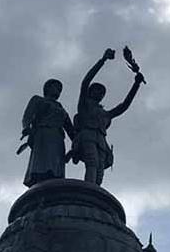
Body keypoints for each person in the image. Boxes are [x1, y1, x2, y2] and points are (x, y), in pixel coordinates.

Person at [71, 48, 144, 186]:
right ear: (90, 92)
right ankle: (89, 189)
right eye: (96, 90)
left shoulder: (105, 114)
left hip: (101, 140)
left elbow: (124, 106)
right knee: (91, 163)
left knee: (99, 170)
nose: (99, 93)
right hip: (87, 135)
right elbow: (85, 82)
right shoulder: (84, 105)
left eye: (102, 92)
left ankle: (95, 192)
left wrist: (136, 84)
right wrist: (103, 60)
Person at [20, 79, 74, 187]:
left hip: (58, 138)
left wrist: (79, 143)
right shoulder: (38, 100)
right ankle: (40, 182)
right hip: (43, 135)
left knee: (56, 167)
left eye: (60, 89)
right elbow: (27, 116)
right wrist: (26, 128)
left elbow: (71, 131)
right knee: (43, 164)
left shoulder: (61, 109)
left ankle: (54, 182)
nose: (58, 91)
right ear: (47, 88)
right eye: (55, 87)